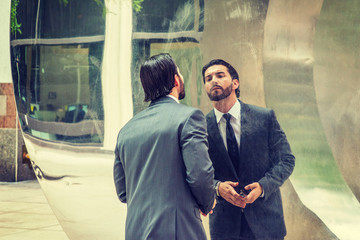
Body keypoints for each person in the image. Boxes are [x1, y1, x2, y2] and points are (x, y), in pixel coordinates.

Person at [114, 53, 216, 240]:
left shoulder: (126, 130)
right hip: (178, 231)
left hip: (135, 231)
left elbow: (122, 192)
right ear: (176, 80)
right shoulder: (189, 117)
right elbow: (200, 174)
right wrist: (207, 203)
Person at [202, 59, 295, 240]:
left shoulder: (265, 117)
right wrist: (217, 187)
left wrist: (263, 186)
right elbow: (197, 172)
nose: (214, 80)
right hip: (224, 227)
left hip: (267, 223)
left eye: (220, 75)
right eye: (208, 78)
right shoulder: (200, 127)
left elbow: (286, 160)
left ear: (235, 83)